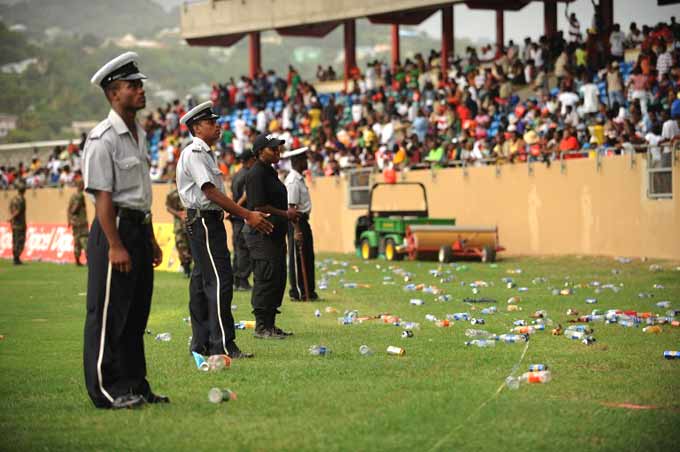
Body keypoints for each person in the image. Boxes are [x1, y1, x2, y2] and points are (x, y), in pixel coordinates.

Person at [82, 52, 166, 409]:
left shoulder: (139, 132)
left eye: (140, 84)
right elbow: (103, 197)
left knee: (135, 315)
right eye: (133, 86)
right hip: (113, 229)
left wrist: (149, 239)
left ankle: (135, 384)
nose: (141, 90)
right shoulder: (103, 138)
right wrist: (115, 245)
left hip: (137, 228)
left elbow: (140, 195)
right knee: (108, 314)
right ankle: (106, 389)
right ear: (114, 93)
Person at [176, 101, 273, 360]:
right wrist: (247, 215)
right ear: (196, 128)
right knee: (220, 281)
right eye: (211, 123)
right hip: (204, 222)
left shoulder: (206, 153)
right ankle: (223, 345)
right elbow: (209, 191)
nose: (218, 126)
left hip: (207, 220)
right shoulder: (196, 152)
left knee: (200, 282)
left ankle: (201, 344)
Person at [245, 133, 300, 339]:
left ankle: (271, 324)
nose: (278, 152)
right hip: (261, 235)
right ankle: (261, 327)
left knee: (277, 278)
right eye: (273, 148)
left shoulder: (269, 172)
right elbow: (259, 206)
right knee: (265, 278)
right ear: (260, 152)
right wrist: (286, 214)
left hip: (274, 234)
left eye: (278, 148)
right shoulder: (256, 174)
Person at [282, 147, 318, 301]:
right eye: (304, 159)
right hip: (296, 222)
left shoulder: (299, 179)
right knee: (298, 256)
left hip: (303, 220)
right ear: (296, 161)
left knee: (307, 256)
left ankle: (308, 289)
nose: (306, 162)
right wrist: (296, 230)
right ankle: (298, 291)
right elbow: (291, 208)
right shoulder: (293, 181)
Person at [230, 149, 256, 291]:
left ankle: (236, 280)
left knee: (238, 249)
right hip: (242, 217)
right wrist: (236, 208)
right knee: (244, 250)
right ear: (251, 160)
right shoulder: (248, 175)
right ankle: (242, 280)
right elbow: (246, 195)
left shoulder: (237, 175)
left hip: (236, 218)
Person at [165, 183, 192, 277]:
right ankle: (186, 268)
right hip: (179, 224)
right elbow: (168, 207)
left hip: (192, 222)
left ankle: (192, 266)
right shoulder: (172, 195)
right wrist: (178, 214)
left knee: (192, 245)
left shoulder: (191, 192)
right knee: (181, 244)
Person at [68, 179, 89, 266]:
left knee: (76, 242)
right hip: (81, 223)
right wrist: (74, 212)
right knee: (85, 241)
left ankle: (77, 260)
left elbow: (69, 208)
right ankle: (89, 260)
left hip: (75, 222)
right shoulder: (80, 196)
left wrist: (70, 219)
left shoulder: (73, 195)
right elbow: (74, 208)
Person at [8, 180, 26, 265]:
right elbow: (18, 211)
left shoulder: (13, 199)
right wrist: (12, 217)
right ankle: (16, 258)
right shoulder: (21, 199)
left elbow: (11, 208)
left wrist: (11, 218)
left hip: (14, 224)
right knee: (20, 241)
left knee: (15, 241)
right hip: (20, 224)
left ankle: (16, 258)